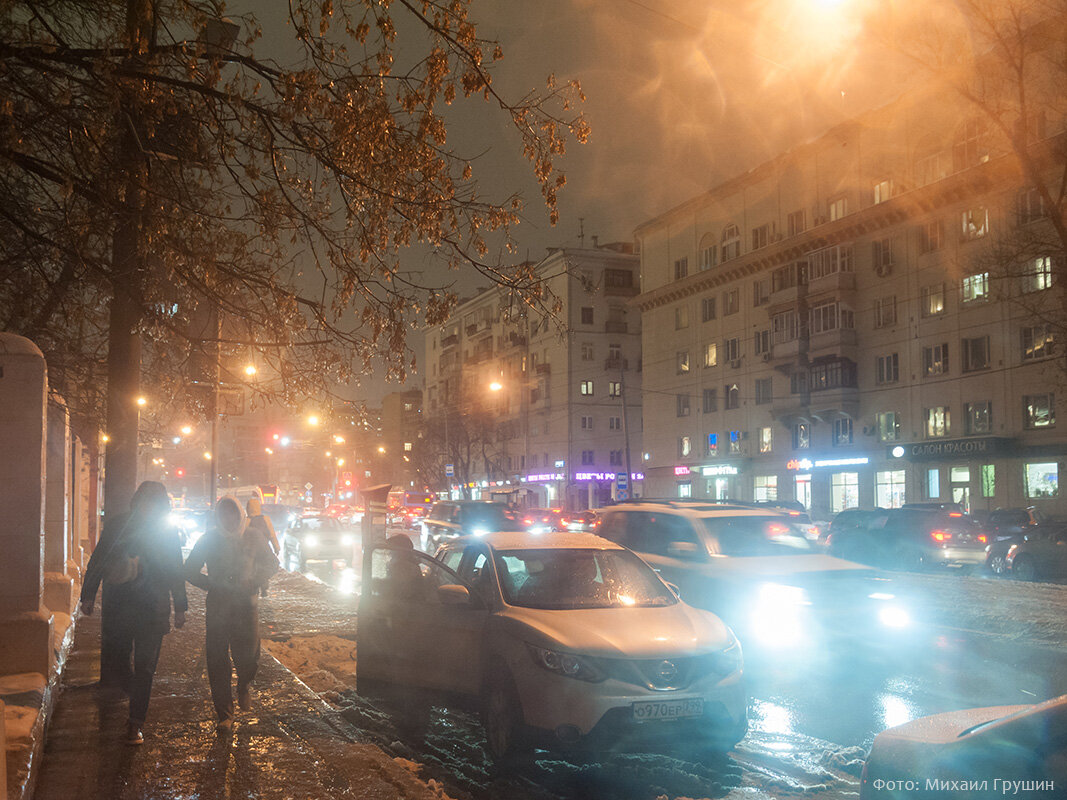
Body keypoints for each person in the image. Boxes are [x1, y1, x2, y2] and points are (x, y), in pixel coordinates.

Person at [79, 481, 187, 745]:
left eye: (153, 502)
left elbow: (175, 569)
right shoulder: (120, 524)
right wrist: (88, 593)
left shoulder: (166, 532)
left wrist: (181, 605)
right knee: (118, 660)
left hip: (153, 608)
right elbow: (99, 557)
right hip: (121, 607)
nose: (148, 506)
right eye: (144, 501)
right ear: (137, 501)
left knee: (145, 667)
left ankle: (135, 723)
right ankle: (131, 689)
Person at [185, 496, 277, 734]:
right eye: (224, 514)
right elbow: (189, 570)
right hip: (218, 607)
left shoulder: (253, 536)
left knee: (248, 656)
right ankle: (224, 714)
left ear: (240, 514)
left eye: (232, 513)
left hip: (246, 605)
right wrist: (211, 584)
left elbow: (272, 564)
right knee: (216, 660)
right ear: (218, 516)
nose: (229, 518)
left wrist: (254, 580)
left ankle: (244, 683)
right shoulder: (209, 539)